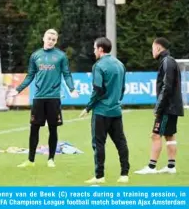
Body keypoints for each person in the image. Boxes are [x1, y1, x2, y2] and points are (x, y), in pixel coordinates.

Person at [13, 29, 79, 168]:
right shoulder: (35, 56)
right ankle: (30, 160)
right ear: (43, 38)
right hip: (38, 98)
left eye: (53, 40)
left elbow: (66, 74)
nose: (51, 41)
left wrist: (72, 89)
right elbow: (30, 75)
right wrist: (18, 89)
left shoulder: (61, 56)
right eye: (49, 38)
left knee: (53, 129)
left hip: (54, 98)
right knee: (34, 128)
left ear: (56, 41)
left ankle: (51, 159)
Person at [79, 37, 129, 184]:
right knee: (121, 142)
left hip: (101, 112)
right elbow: (122, 88)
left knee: (99, 143)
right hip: (116, 111)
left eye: (94, 48)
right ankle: (124, 174)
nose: (93, 51)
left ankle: (99, 176)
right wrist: (116, 101)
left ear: (100, 49)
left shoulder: (98, 66)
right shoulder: (120, 65)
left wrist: (88, 107)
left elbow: (98, 89)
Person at [134, 37, 184, 175]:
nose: (152, 51)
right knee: (170, 135)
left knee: (156, 135)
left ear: (158, 48)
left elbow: (166, 87)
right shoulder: (169, 61)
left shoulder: (167, 62)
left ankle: (151, 167)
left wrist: (158, 107)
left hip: (167, 107)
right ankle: (171, 166)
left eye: (152, 48)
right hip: (173, 106)